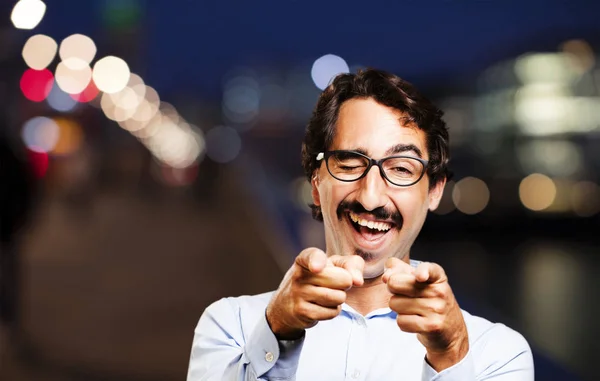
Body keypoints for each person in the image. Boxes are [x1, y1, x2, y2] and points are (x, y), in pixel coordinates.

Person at [186, 68, 534, 380]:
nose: (371, 198)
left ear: (434, 191)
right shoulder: (229, 327)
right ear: (316, 182)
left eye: (401, 169)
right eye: (350, 163)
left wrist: (451, 357)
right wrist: (277, 332)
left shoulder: (498, 355)